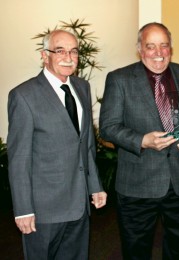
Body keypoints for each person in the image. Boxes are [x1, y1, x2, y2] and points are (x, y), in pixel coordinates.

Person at [100, 22, 179, 259]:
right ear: (140, 49)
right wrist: (142, 140)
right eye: (151, 46)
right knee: (136, 252)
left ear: (171, 48)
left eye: (164, 46)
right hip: (138, 185)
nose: (158, 53)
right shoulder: (119, 79)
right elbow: (108, 128)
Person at [7, 29, 107, 260]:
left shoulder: (82, 87)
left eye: (73, 51)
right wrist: (23, 209)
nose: (68, 57)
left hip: (79, 204)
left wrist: (95, 185)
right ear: (45, 55)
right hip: (43, 210)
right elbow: (19, 159)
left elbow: (87, 144)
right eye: (60, 51)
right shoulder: (24, 96)